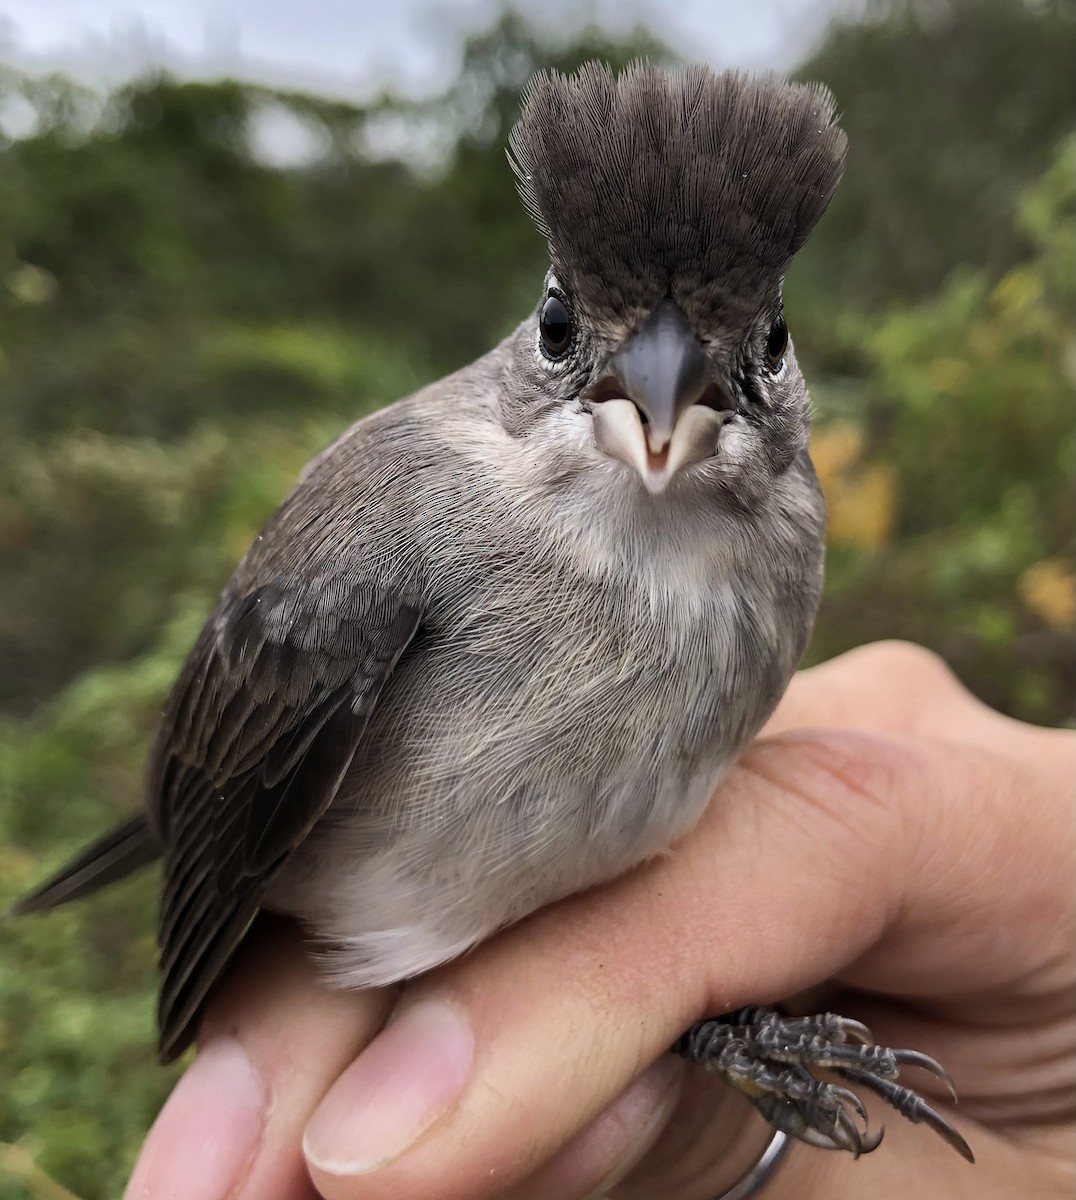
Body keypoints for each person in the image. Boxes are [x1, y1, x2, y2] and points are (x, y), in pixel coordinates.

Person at [123, 641, 1075, 1200]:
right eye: (566, 331)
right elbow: (222, 805)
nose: (662, 393)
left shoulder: (766, 542)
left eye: (762, 347)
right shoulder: (393, 545)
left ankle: (705, 1030)